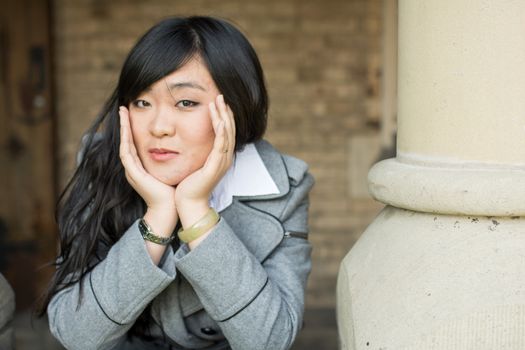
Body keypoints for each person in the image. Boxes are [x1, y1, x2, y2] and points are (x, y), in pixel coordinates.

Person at [38, 16, 314, 350]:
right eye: (142, 102)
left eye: (186, 102)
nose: (158, 127)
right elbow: (75, 334)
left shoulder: (280, 187)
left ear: (236, 108)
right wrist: (157, 217)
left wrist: (197, 212)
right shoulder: (100, 168)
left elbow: (270, 340)